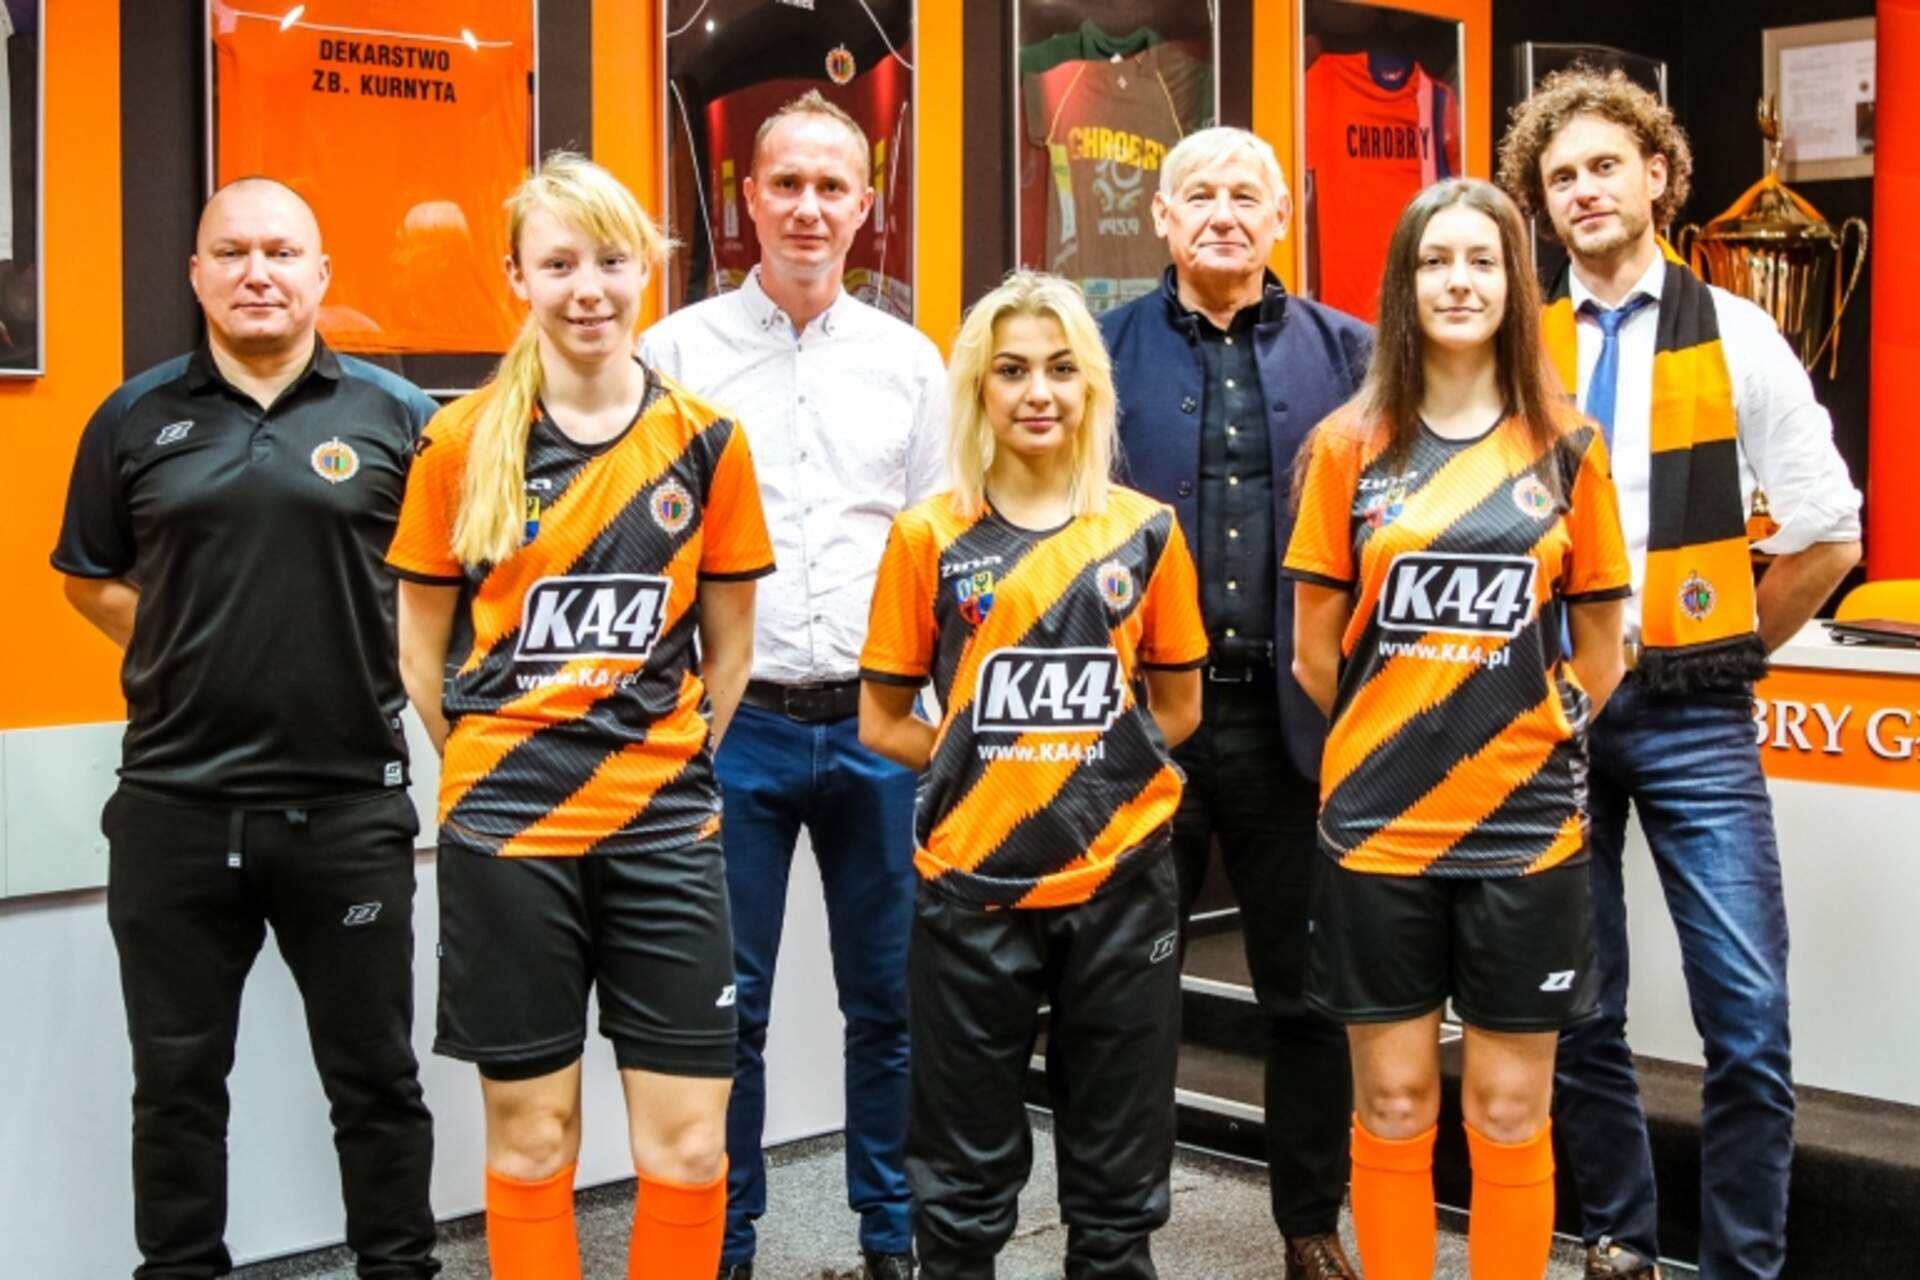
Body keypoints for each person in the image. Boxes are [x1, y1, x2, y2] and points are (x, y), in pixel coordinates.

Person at [1497, 69, 1864, 1280]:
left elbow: (1830, 530)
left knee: (1746, 1015)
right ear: (1544, 205)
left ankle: (1743, 1265)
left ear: (1658, 175)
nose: (1584, 190)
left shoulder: (1738, 332)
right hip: (1554, 706)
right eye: (1562, 177)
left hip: (1693, 711)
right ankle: (1621, 1245)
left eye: (1606, 165)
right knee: (1579, 1005)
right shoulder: (1517, 347)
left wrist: (1731, 650)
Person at [386, 153, 774, 1280]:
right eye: (558, 264)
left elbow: (730, 651)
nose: (588, 288)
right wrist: (497, 766)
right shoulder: (460, 443)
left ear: (646, 268)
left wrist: (663, 763)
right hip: (508, 838)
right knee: (533, 1140)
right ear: (517, 277)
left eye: (610, 260)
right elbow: (419, 654)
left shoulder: (707, 442)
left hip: (665, 831)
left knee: (690, 1150)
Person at [52, 177, 441, 1278]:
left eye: (280, 251)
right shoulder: (134, 417)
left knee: (376, 1080)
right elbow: (88, 576)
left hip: (348, 808)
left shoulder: (401, 418)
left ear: (322, 273)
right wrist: (189, 641)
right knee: (176, 1087)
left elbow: (453, 589)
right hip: (174, 808)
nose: (256, 272)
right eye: (231, 253)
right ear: (196, 274)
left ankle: (400, 1267)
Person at [1285, 177, 1632, 1280]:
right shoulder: (1348, 446)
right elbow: (1314, 653)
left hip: (1525, 834)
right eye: (1436, 261)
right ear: (1404, 283)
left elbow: (1602, 646)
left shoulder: (1568, 448)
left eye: (1483, 260)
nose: (1460, 281)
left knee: (1509, 1105)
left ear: (1516, 284)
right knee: (1393, 1101)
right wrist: (1400, 740)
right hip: (1379, 829)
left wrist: (1534, 734)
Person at [638, 88, 944, 1280]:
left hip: (877, 723)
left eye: (832, 186)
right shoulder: (676, 354)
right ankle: (726, 1243)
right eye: (787, 184)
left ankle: (892, 1236)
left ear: (866, 207)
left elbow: (938, 549)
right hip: (737, 728)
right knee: (728, 1008)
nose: (809, 207)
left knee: (892, 1002)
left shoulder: (910, 362)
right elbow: (652, 548)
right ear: (748, 201)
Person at [859, 271, 1207, 1280]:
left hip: (1121, 884)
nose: (1038, 392)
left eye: (1060, 368)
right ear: (979, 388)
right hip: (973, 888)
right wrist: (986, 767)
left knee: (1118, 1182)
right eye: (1011, 370)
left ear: (1091, 384)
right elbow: (883, 720)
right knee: (960, 1186)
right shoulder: (928, 535)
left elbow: (1179, 706)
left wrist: (1095, 771)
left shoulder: (1145, 529)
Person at [1097, 125, 1371, 1280]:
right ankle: (1120, 1232)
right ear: (1161, 216)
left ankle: (1311, 1223)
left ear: (1280, 217)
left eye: (1245, 195)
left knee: (1306, 993)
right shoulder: (1097, 349)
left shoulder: (1353, 356)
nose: (1222, 213)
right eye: (1198, 194)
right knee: (1127, 987)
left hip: (1293, 721)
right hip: (1140, 719)